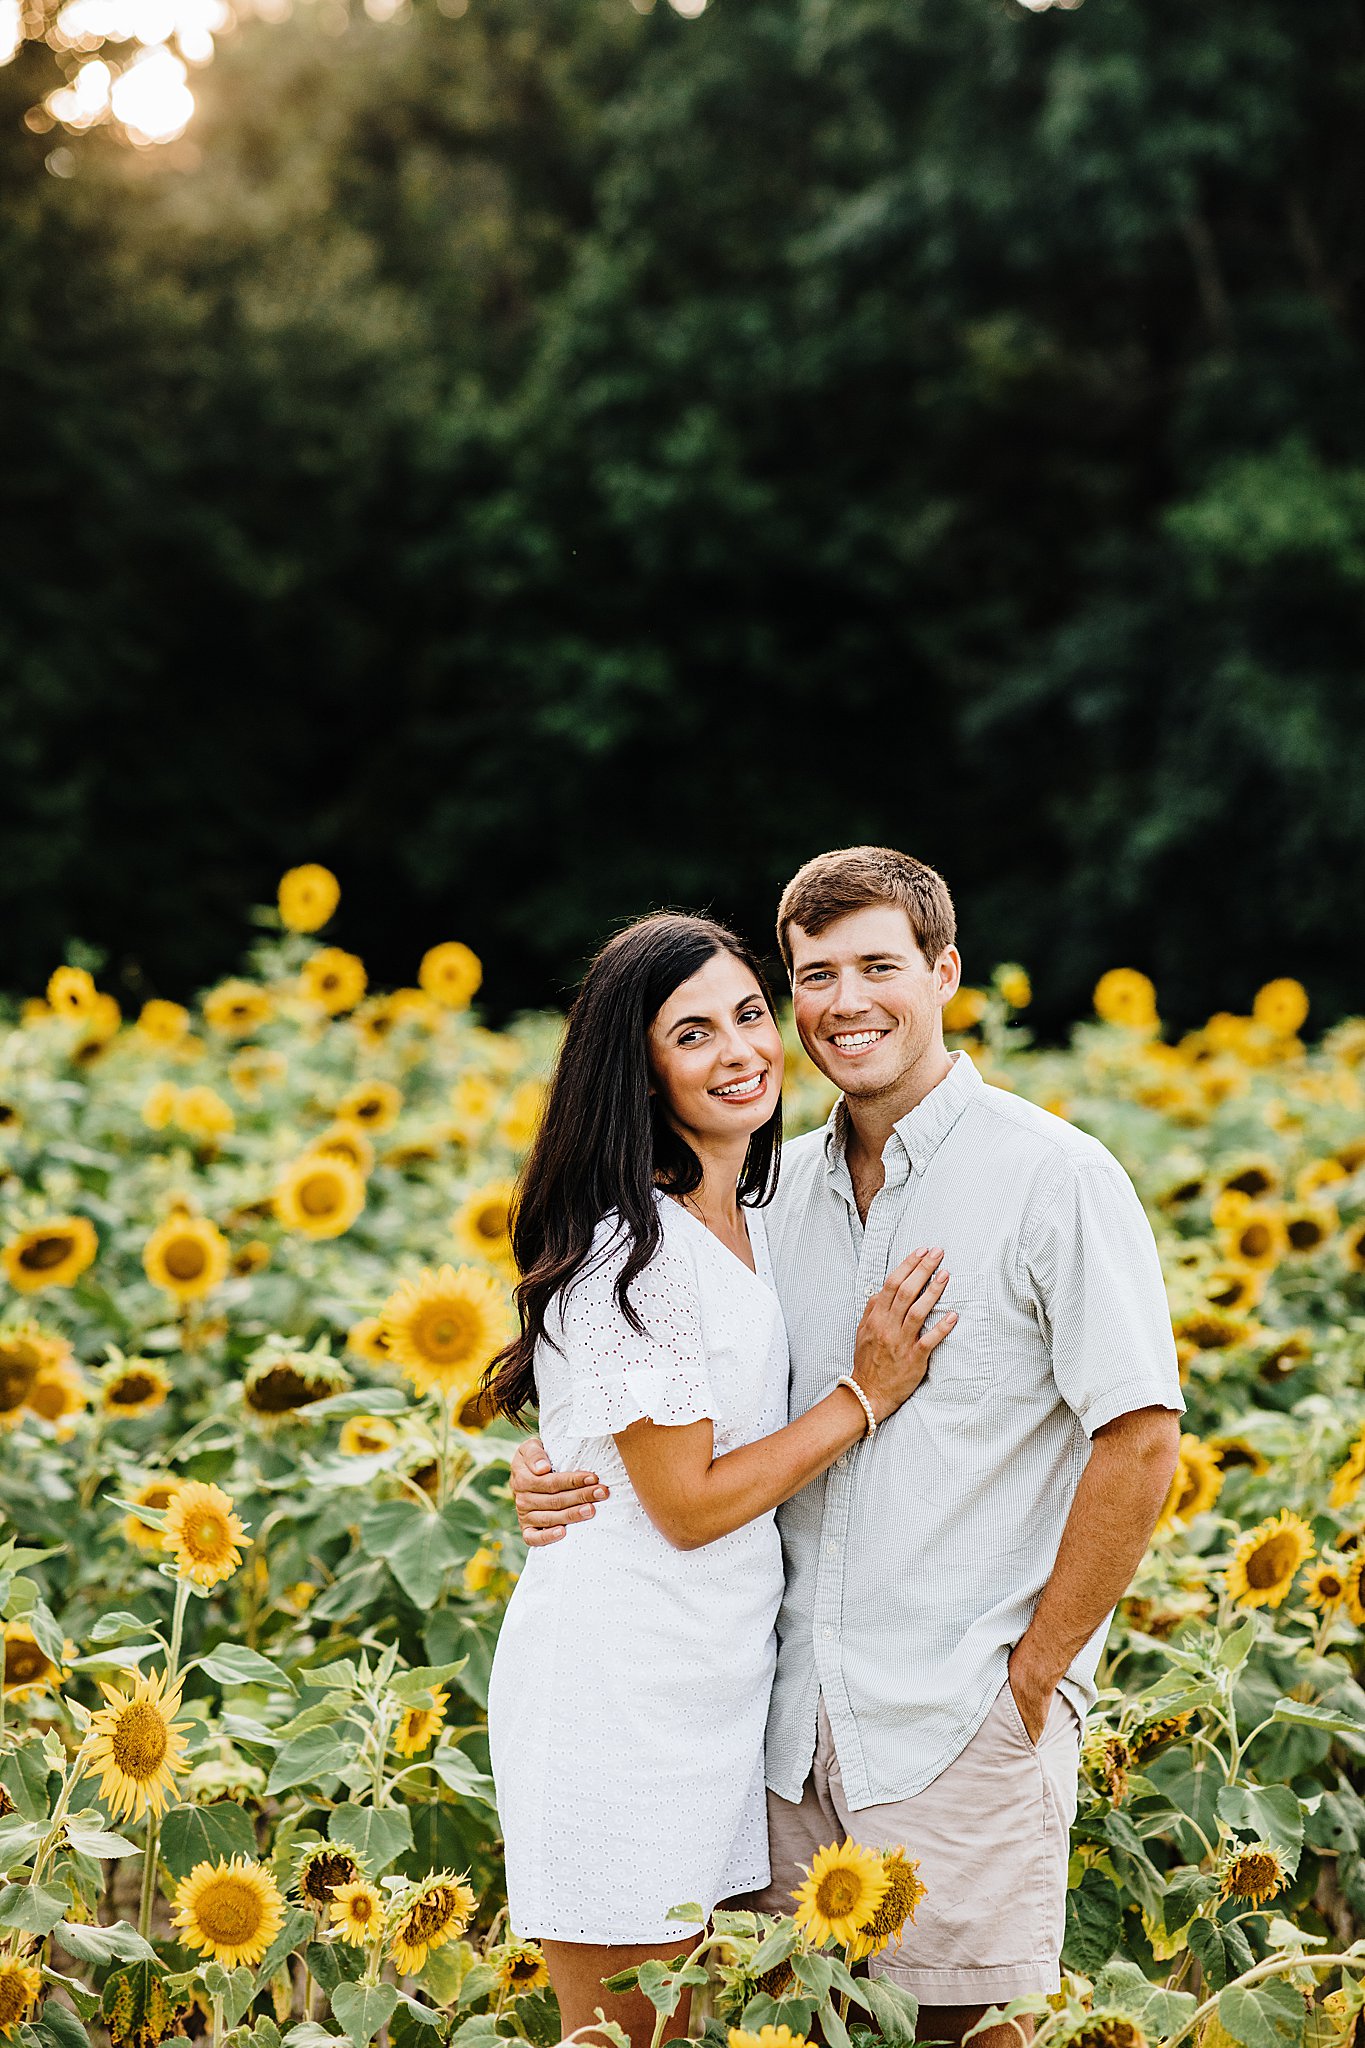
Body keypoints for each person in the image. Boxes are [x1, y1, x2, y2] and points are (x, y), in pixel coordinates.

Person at [511, 848, 1184, 2048]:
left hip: (955, 1708)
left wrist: (1036, 1679)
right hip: (767, 1730)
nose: (844, 1001)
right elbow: (653, 1384)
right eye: (815, 974)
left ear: (945, 971)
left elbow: (1139, 1437)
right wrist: (559, 1471)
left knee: (970, 2029)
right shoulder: (773, 1194)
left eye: (880, 965)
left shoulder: (1052, 1177)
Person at [482, 909, 955, 2048]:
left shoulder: (754, 1214)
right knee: (623, 2035)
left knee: (697, 2025)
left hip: (722, 1691)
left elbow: (623, 1435)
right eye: (693, 1033)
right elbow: (685, 1503)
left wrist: (555, 1455)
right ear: (637, 1071)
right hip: (618, 1695)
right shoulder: (625, 1250)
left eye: (751, 1012)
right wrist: (865, 1393)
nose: (741, 1048)